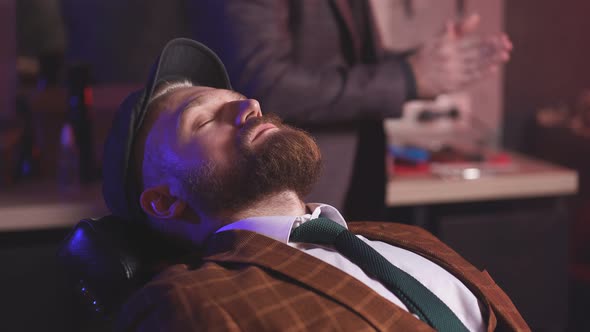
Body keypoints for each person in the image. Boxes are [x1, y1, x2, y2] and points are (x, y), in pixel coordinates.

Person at [104, 38, 527, 331]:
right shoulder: (187, 303)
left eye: (237, 99)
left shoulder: (406, 239)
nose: (249, 106)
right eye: (205, 119)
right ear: (163, 201)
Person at [188, 0, 513, 220]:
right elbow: (266, 85)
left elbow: (347, 65)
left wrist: (422, 65)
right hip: (294, 194)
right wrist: (408, 77)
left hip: (354, 182)